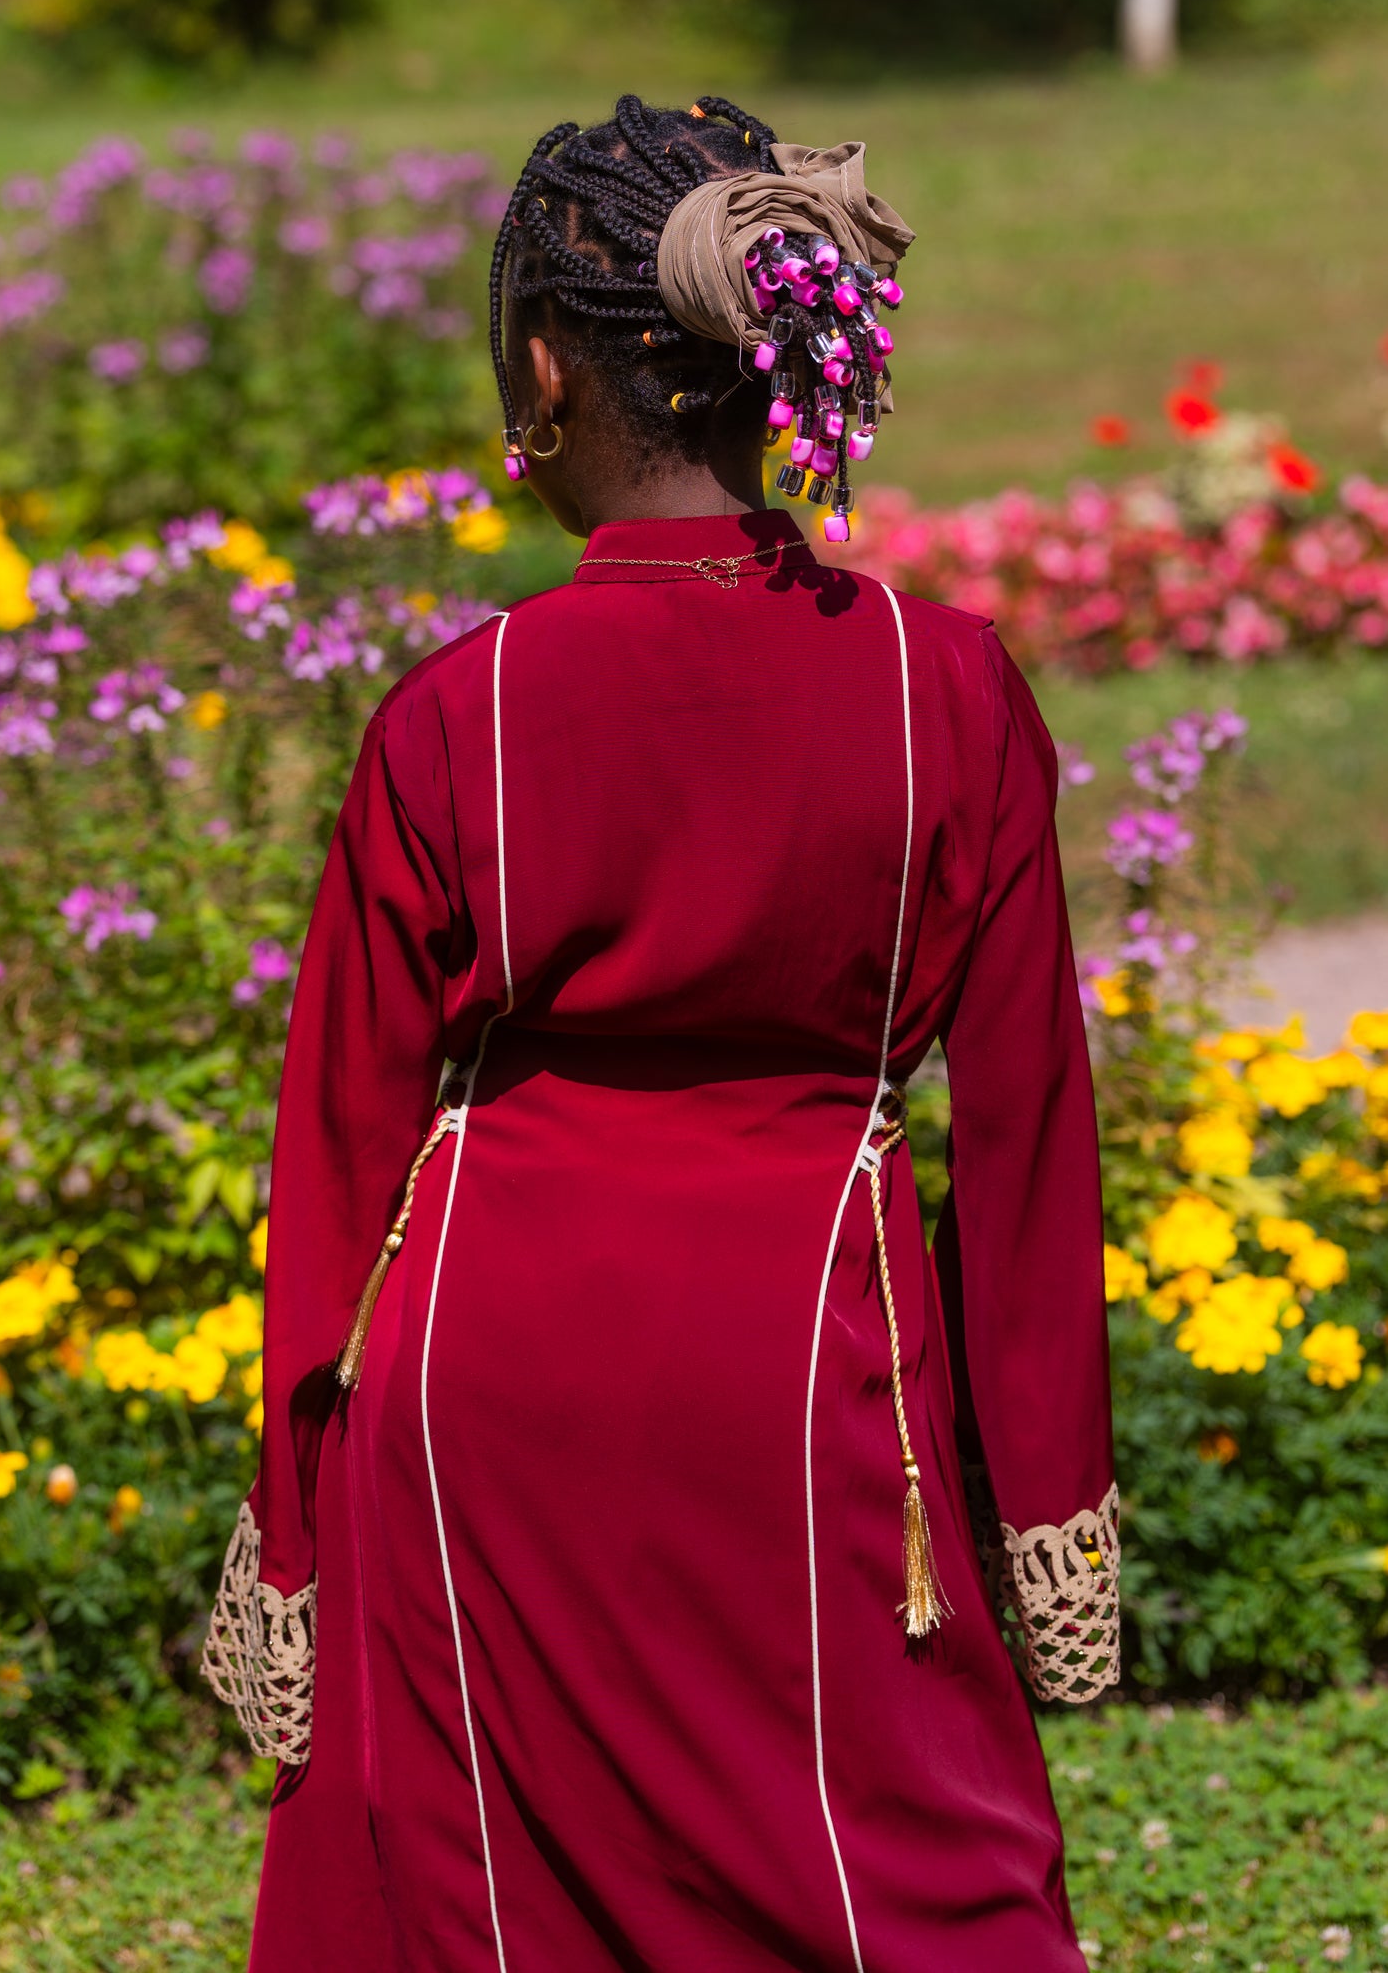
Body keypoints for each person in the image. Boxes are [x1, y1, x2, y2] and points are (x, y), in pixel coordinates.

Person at [204, 95, 1117, 1973]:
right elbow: (1025, 1137)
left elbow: (338, 1149)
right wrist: (1044, 1509)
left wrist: (290, 1538)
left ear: (540, 360)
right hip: (810, 1373)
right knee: (889, 1885)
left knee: (486, 1908)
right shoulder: (941, 689)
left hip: (484, 1388)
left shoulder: (459, 713)